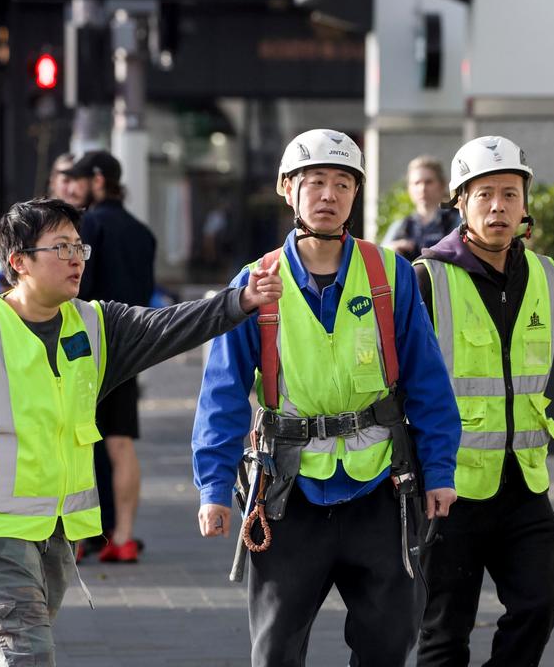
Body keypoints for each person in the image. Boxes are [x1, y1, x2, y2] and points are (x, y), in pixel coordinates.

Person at [0, 197, 282, 666]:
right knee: (24, 655)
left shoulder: (97, 325)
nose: (76, 258)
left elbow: (167, 326)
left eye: (79, 246)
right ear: (19, 262)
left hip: (54, 536)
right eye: (60, 247)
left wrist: (240, 300)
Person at [192, 129, 461, 667]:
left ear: (355, 195)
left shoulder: (390, 275)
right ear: (287, 189)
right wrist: (213, 488)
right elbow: (222, 392)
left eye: (342, 183)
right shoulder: (256, 281)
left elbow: (429, 380)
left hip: (381, 490)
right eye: (314, 181)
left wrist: (441, 469)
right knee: (275, 652)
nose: (328, 195)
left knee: (388, 645)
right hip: (288, 494)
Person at [414, 135, 554, 666]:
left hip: (524, 480)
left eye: (509, 193)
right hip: (449, 486)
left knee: (540, 603)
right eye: (483, 195)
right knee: (443, 631)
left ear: (526, 202)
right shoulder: (426, 278)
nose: (498, 206)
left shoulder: (548, 276)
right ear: (460, 203)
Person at [62, 150, 156, 563]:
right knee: (121, 443)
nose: (73, 187)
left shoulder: (90, 226)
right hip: (130, 347)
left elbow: (79, 290)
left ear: (97, 180)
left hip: (87, 347)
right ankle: (124, 536)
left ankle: (79, 536)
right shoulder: (142, 232)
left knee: (77, 441)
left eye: (79, 179)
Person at [381, 155, 461, 261]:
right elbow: (378, 257)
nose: (422, 188)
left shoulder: (458, 221)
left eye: (428, 182)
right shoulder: (401, 226)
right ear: (409, 188)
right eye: (416, 183)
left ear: (442, 185)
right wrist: (391, 251)